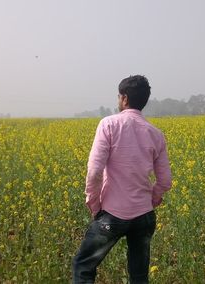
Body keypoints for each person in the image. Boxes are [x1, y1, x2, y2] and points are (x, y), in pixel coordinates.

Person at [72, 75, 172, 283]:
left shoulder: (108, 125)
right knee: (139, 275)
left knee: (83, 265)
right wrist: (152, 199)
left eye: (119, 96)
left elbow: (94, 171)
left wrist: (94, 204)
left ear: (124, 99)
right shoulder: (156, 133)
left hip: (112, 215)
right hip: (144, 216)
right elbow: (165, 181)